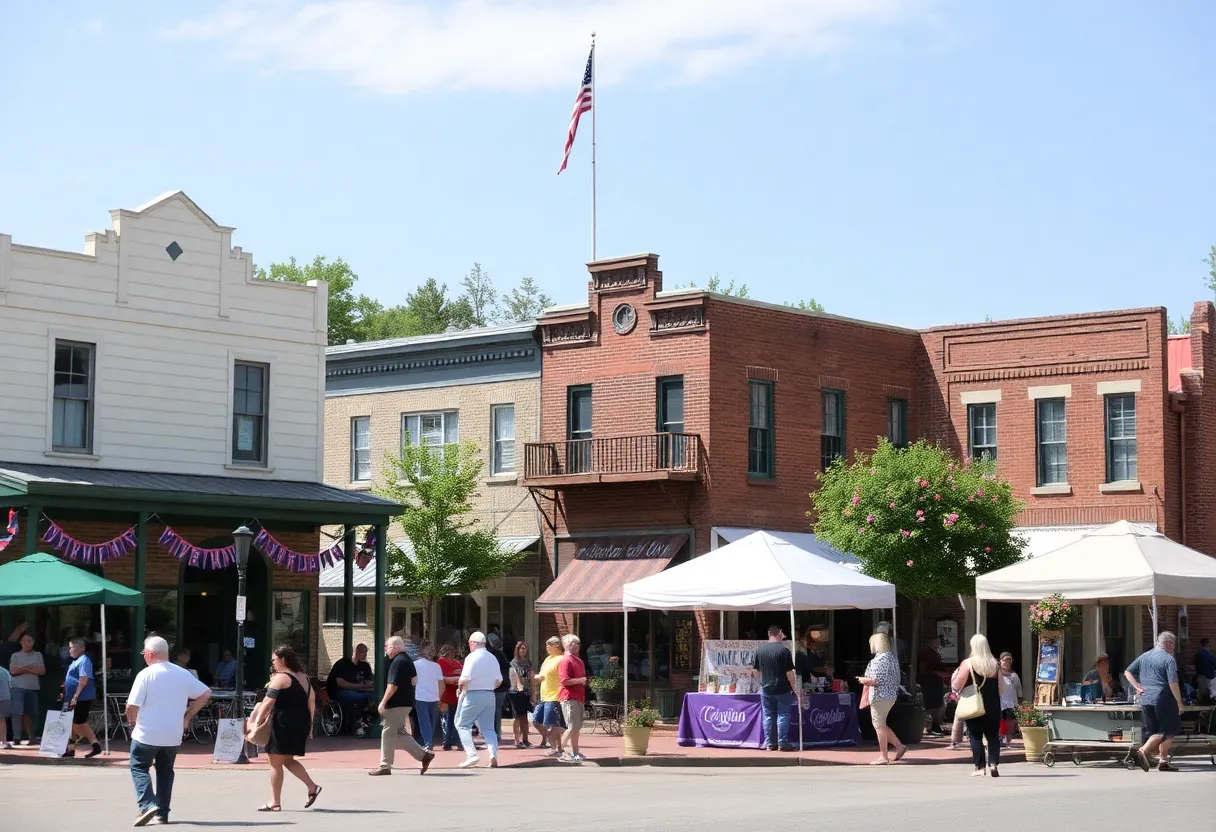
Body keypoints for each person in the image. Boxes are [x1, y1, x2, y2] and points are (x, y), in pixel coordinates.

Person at [125, 636, 212, 826]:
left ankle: (147, 804)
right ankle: (162, 813)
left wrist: (131, 723)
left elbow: (132, 706)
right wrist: (187, 717)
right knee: (165, 772)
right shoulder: (182, 673)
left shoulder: (145, 674)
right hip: (172, 734)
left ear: (149, 654)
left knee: (139, 766)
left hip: (147, 733)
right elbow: (205, 693)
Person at [246, 646, 321, 812]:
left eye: (274, 659)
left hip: (283, 722)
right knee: (287, 759)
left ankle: (275, 802)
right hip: (300, 722)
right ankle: (312, 786)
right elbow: (312, 702)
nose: (272, 662)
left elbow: (267, 702)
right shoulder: (304, 677)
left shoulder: (281, 678)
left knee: (274, 763)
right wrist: (310, 726)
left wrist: (256, 722)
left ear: (283, 660)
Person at [368, 636, 435, 776]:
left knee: (387, 732)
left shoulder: (397, 662)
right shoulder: (408, 660)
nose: (386, 649)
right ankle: (424, 756)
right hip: (406, 703)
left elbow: (392, 685)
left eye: (388, 646)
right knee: (398, 733)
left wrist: (383, 702)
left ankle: (385, 765)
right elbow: (414, 680)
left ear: (397, 647)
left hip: (396, 704)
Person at [1125, 631, 1183, 772]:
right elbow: (1173, 682)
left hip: (1145, 699)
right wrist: (1179, 702)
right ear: (1168, 643)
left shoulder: (1144, 656)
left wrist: (1137, 686)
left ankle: (1163, 760)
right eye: (1174, 645)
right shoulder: (1169, 659)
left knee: (1154, 731)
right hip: (1164, 699)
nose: (1174, 648)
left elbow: (1128, 672)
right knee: (1168, 730)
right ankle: (1142, 751)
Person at [951, 634, 1005, 777]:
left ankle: (979, 767)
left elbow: (957, 684)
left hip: (974, 704)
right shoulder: (995, 664)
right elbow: (1002, 689)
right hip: (993, 704)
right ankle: (993, 763)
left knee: (975, 736)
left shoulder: (968, 663)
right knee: (993, 735)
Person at [454, 631, 502, 768]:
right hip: (490, 694)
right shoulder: (492, 657)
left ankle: (472, 754)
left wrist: (460, 689)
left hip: (473, 694)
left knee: (462, 724)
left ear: (474, 643)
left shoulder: (472, 657)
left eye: (469, 643)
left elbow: (464, 678)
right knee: (488, 728)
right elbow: (499, 680)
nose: (469, 645)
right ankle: (493, 754)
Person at [859, 632, 906, 765]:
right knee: (881, 725)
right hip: (890, 695)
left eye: (871, 644)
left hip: (880, 695)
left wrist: (863, 680)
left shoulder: (879, 660)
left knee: (879, 725)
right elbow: (897, 679)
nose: (870, 646)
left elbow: (874, 680)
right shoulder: (892, 658)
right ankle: (899, 746)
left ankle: (884, 756)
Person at [751, 625, 797, 752]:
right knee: (783, 715)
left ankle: (770, 743)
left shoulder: (760, 650)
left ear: (769, 634)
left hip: (766, 688)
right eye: (782, 634)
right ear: (779, 634)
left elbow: (755, 671)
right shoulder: (784, 651)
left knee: (768, 716)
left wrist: (760, 681)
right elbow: (789, 673)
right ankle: (783, 743)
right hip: (782, 688)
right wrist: (794, 687)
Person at [63, 637, 102, 758]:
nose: (70, 650)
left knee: (78, 723)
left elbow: (83, 680)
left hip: (82, 697)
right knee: (75, 723)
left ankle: (94, 744)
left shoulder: (84, 661)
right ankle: (72, 749)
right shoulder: (75, 661)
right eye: (69, 647)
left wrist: (75, 696)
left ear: (82, 648)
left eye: (72, 647)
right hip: (73, 697)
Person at [326, 643, 375, 736]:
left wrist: (369, 684)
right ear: (356, 652)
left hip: (362, 691)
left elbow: (370, 681)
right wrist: (360, 686)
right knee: (356, 697)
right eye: (362, 653)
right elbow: (341, 683)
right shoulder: (342, 664)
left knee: (374, 696)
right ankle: (356, 723)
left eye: (366, 653)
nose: (365, 655)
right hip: (340, 691)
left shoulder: (365, 666)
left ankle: (370, 720)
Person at [532, 636, 566, 756]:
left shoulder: (561, 659)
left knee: (553, 725)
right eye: (546, 645)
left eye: (549, 645)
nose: (546, 647)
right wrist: (534, 677)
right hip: (544, 696)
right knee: (536, 721)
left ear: (556, 646)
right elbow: (542, 675)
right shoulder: (548, 659)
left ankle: (556, 748)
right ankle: (555, 745)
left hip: (555, 697)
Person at [9, 633, 44, 745]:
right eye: (25, 641)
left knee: (32, 713)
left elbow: (42, 671)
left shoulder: (38, 655)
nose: (27, 643)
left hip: (33, 688)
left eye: (30, 641)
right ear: (21, 643)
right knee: (17, 712)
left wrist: (22, 669)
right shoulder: (15, 656)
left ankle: (32, 737)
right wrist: (30, 668)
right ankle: (17, 737)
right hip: (17, 688)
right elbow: (13, 671)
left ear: (33, 642)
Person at [558, 634, 588, 763]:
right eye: (573, 643)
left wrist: (583, 681)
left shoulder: (579, 661)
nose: (576, 646)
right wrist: (581, 680)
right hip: (569, 697)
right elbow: (564, 680)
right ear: (566, 645)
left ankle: (575, 752)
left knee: (577, 727)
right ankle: (560, 749)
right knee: (572, 727)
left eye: (577, 643)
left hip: (579, 697)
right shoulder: (566, 660)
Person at [411, 641, 444, 752]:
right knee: (431, 721)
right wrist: (439, 697)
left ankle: (428, 742)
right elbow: (441, 685)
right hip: (434, 697)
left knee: (424, 721)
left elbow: (413, 682)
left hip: (420, 697)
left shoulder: (415, 664)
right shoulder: (437, 666)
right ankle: (429, 741)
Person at [917, 636, 949, 736]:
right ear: (931, 642)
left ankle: (935, 726)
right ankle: (933, 727)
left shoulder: (934, 652)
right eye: (936, 641)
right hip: (930, 682)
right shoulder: (927, 653)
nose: (938, 643)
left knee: (937, 704)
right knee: (933, 705)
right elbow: (925, 668)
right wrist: (938, 674)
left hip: (934, 681)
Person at [437, 644, 464, 751]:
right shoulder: (441, 662)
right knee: (447, 719)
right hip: (447, 693)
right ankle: (447, 741)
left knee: (457, 718)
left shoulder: (457, 662)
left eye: (454, 651)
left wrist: (458, 675)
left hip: (457, 693)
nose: (453, 653)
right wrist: (455, 674)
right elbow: (443, 676)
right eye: (451, 651)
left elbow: (463, 671)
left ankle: (457, 740)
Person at [487, 633, 512, 743]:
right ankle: (495, 734)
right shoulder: (502, 655)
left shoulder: (492, 655)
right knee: (496, 712)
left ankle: (494, 735)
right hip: (501, 687)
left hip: (495, 688)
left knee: (493, 712)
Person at [508, 640, 534, 748]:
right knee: (517, 716)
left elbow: (532, 677)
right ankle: (517, 740)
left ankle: (526, 739)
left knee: (525, 716)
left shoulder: (528, 662)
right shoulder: (513, 663)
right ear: (517, 650)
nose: (523, 650)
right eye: (521, 648)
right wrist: (519, 686)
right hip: (515, 692)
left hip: (526, 691)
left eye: (525, 648)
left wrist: (533, 692)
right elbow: (515, 677)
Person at [998, 652, 1022, 747]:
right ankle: (999, 739)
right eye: (1005, 660)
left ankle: (1008, 741)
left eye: (1009, 661)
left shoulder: (1013, 676)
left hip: (1010, 703)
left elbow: (1018, 689)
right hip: (999, 702)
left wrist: (1019, 702)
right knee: (999, 721)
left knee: (1009, 722)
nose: (1007, 663)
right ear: (1000, 661)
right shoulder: (996, 674)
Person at [1192, 638, 1215, 702]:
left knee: (1204, 693)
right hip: (1210, 676)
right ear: (1207, 644)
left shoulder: (1200, 653)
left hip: (1202, 676)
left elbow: (1194, 663)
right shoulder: (1210, 654)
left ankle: (1203, 705)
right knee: (1210, 692)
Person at [0, 661, 11, 750]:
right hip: (5, 698)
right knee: (2, 720)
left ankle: (3, 742)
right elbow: (11, 685)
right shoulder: (5, 671)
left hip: (3, 698)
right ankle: (4, 742)